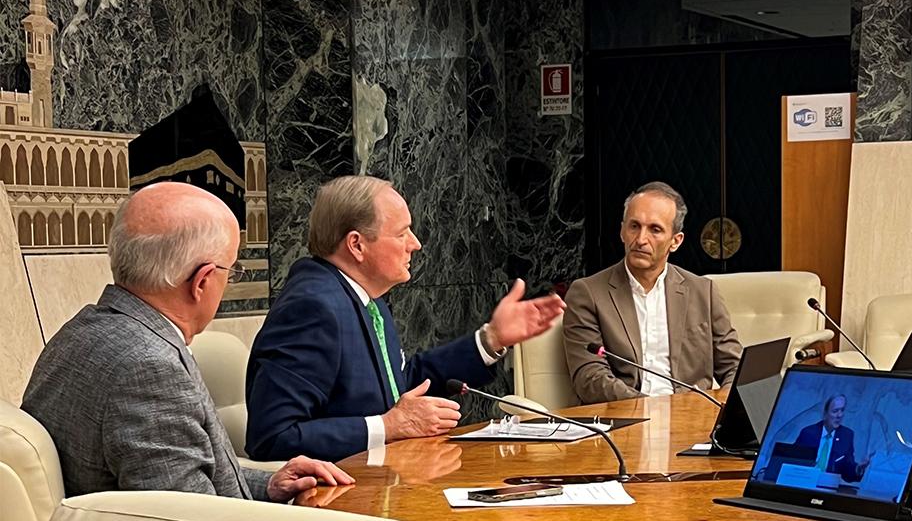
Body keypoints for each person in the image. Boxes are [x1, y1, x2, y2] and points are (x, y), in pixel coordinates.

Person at [21, 183, 354, 502]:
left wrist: (268, 484)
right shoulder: (149, 369)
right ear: (202, 281)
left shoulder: (81, 330)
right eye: (232, 270)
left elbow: (187, 480)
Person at [245, 176, 565, 462]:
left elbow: (397, 385)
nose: (416, 244)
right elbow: (273, 438)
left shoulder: (363, 297)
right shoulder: (312, 308)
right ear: (357, 244)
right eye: (401, 234)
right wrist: (387, 426)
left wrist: (491, 339)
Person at [562, 181, 742, 404]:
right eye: (634, 226)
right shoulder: (587, 293)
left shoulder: (703, 292)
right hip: (624, 420)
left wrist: (723, 406)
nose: (640, 240)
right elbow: (589, 377)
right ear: (622, 231)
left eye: (655, 229)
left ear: (675, 242)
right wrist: (654, 409)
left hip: (693, 418)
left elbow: (735, 366)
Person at [793, 394, 873, 483]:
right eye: (835, 411)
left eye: (842, 410)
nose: (839, 415)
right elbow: (793, 463)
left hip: (828, 487)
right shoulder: (808, 433)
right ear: (825, 414)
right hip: (805, 483)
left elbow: (847, 469)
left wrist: (858, 468)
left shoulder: (846, 436)